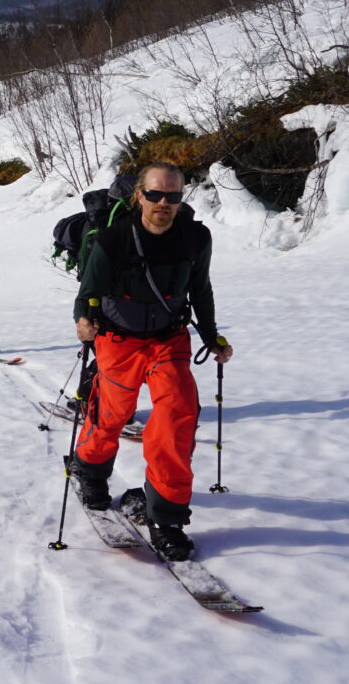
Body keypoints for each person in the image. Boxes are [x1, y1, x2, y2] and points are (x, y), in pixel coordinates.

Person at [69, 161, 233, 561]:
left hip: (167, 339)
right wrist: (83, 321)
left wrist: (211, 336)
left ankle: (167, 516)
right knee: (111, 413)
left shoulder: (195, 238)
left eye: (173, 196)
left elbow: (201, 288)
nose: (164, 203)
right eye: (156, 194)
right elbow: (87, 290)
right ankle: (89, 470)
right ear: (139, 195)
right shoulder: (111, 240)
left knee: (177, 413)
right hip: (118, 339)